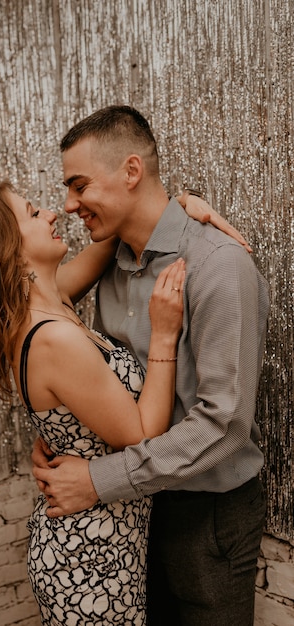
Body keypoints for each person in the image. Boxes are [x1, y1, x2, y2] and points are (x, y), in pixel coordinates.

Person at [0, 179, 245, 625]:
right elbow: (143, 435)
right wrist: (163, 333)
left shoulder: (49, 299)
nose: (51, 214)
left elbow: (119, 231)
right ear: (8, 247)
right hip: (90, 560)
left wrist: (172, 207)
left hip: (104, 543)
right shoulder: (52, 337)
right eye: (32, 213)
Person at [32, 105, 270, 626]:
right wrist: (61, 436)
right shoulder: (110, 269)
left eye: (79, 185)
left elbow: (225, 424)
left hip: (204, 515)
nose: (69, 204)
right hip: (132, 514)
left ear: (132, 171)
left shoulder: (219, 267)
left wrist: (98, 480)